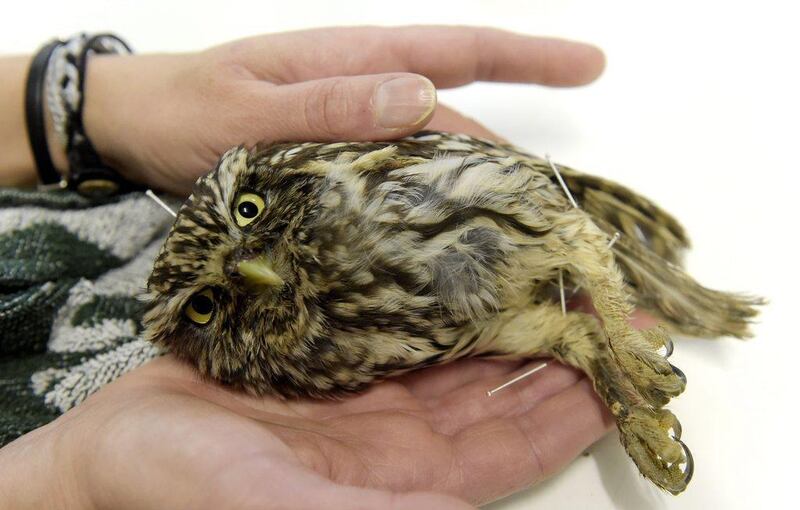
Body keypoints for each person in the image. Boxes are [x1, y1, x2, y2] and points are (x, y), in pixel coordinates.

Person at [0, 26, 634, 509]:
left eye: (246, 212)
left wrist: (81, 105)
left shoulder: (341, 209)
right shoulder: (289, 360)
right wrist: (62, 477)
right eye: (206, 305)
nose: (249, 269)